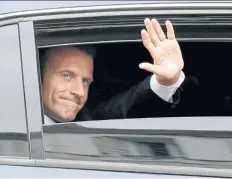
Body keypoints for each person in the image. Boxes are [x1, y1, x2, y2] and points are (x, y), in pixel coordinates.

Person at [41, 18, 185, 125]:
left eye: (85, 81)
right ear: (38, 76)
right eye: (66, 75)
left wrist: (165, 82)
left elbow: (125, 106)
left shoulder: (87, 118)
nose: (79, 91)